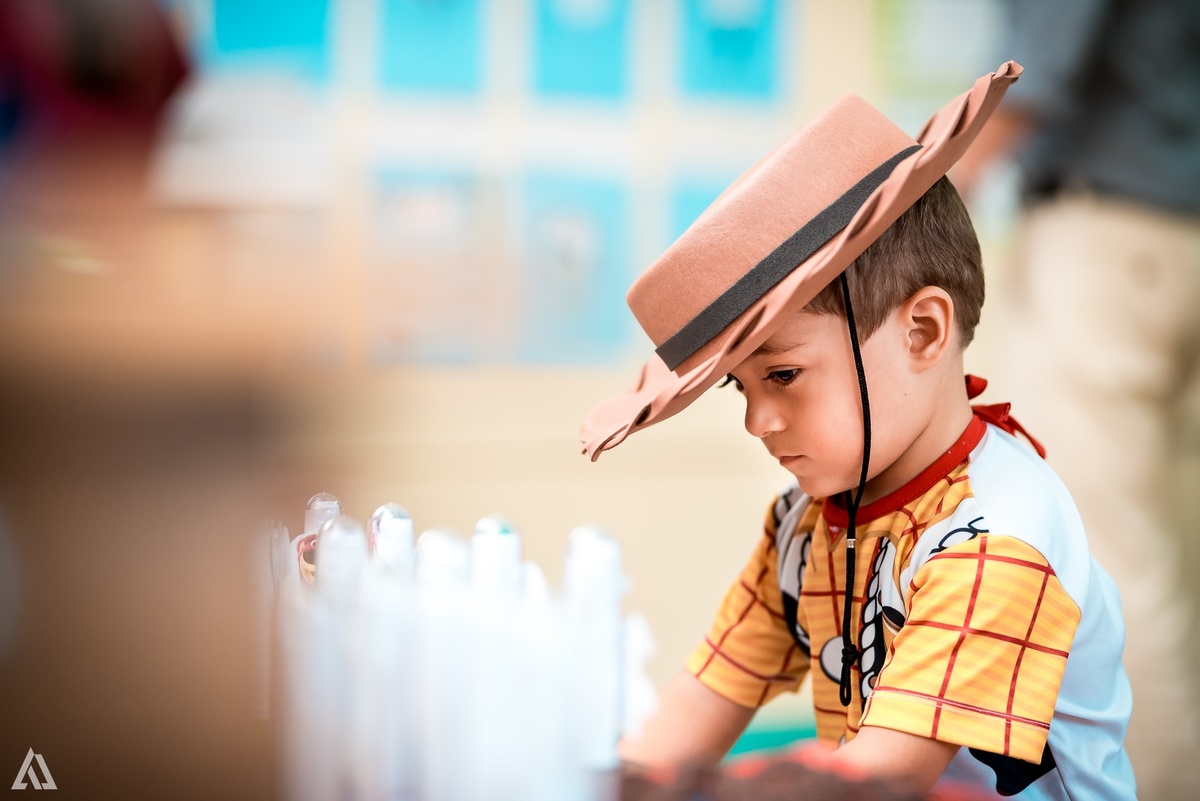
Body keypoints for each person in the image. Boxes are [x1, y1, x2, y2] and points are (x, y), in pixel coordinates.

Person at [580, 63, 1137, 800]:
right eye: (737, 386)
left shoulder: (999, 538)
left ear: (923, 331)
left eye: (781, 375)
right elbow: (698, 700)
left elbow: (882, 778)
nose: (757, 421)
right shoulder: (803, 525)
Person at [950, 5, 1200, 799]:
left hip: (1109, 236)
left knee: (1106, 566)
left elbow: (1036, 70)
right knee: (1178, 559)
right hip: (1175, 234)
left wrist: (915, 201)